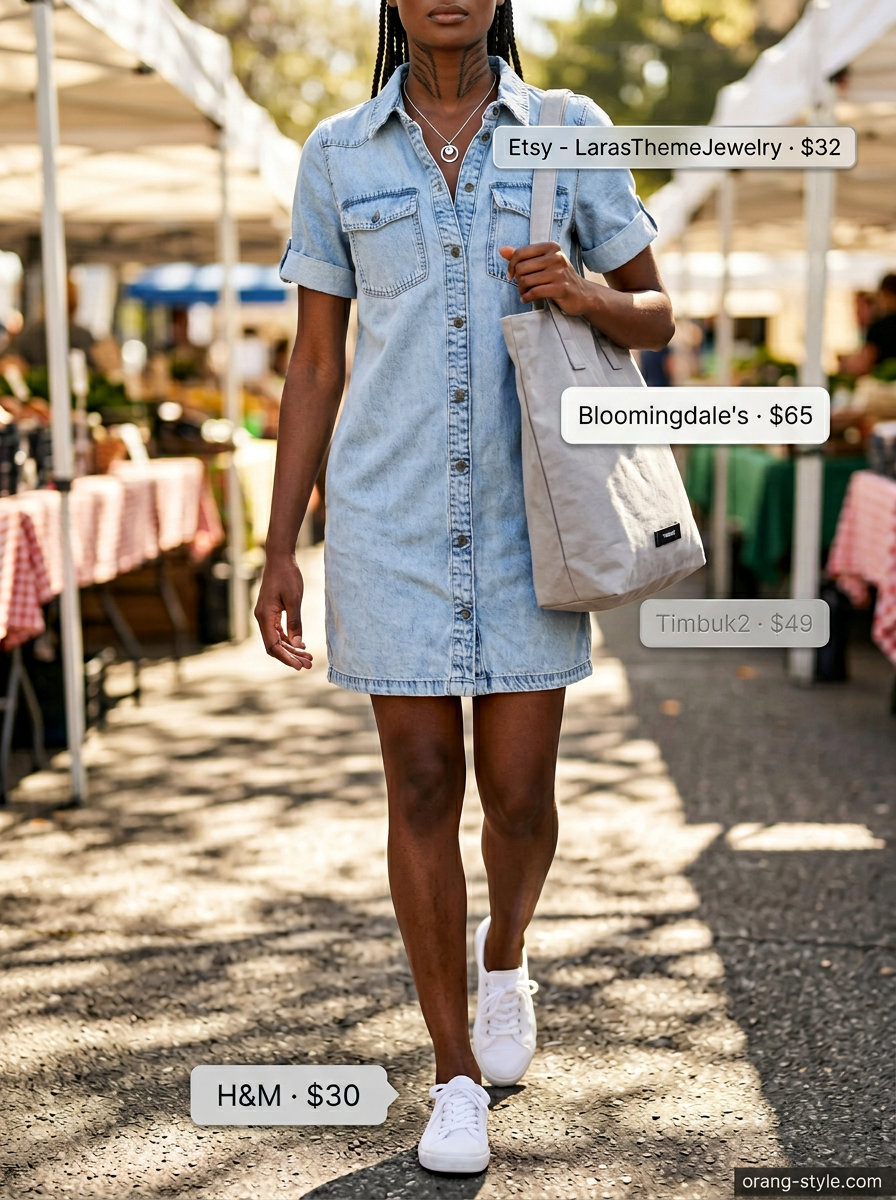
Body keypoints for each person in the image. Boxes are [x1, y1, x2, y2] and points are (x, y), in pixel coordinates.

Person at [254, 0, 672, 1175]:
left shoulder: (568, 129)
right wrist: (280, 543)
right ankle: (449, 1076)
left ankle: (505, 954)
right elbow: (316, 360)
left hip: (526, 518)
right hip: (387, 519)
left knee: (520, 793)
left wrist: (583, 294)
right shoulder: (336, 152)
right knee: (423, 782)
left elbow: (657, 311)